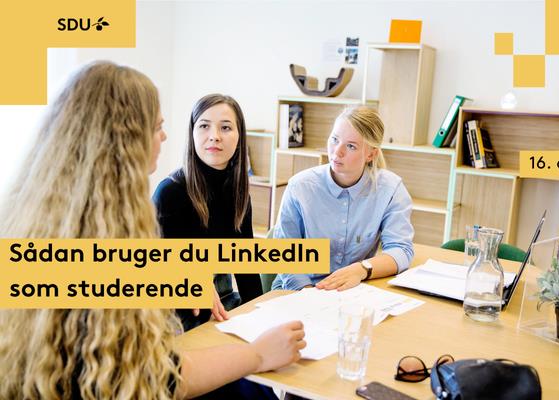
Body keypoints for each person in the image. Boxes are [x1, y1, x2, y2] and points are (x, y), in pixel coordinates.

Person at [0, 61, 305, 399]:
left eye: (225, 128)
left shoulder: (51, 220)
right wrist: (256, 355)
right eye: (157, 126)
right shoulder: (146, 208)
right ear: (124, 139)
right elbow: (155, 375)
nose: (164, 137)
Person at [272, 106, 414, 291]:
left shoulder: (390, 190)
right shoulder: (300, 187)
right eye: (335, 139)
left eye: (351, 146)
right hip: (299, 288)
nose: (337, 152)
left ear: (371, 154)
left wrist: (362, 269)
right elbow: (284, 254)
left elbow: (401, 250)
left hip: (353, 288)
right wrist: (309, 295)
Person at [153, 94, 262, 331]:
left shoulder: (238, 193)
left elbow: (246, 269)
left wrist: (259, 315)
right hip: (175, 312)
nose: (214, 136)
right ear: (192, 134)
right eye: (204, 126)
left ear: (239, 137)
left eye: (225, 127)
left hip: (222, 303)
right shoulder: (170, 192)